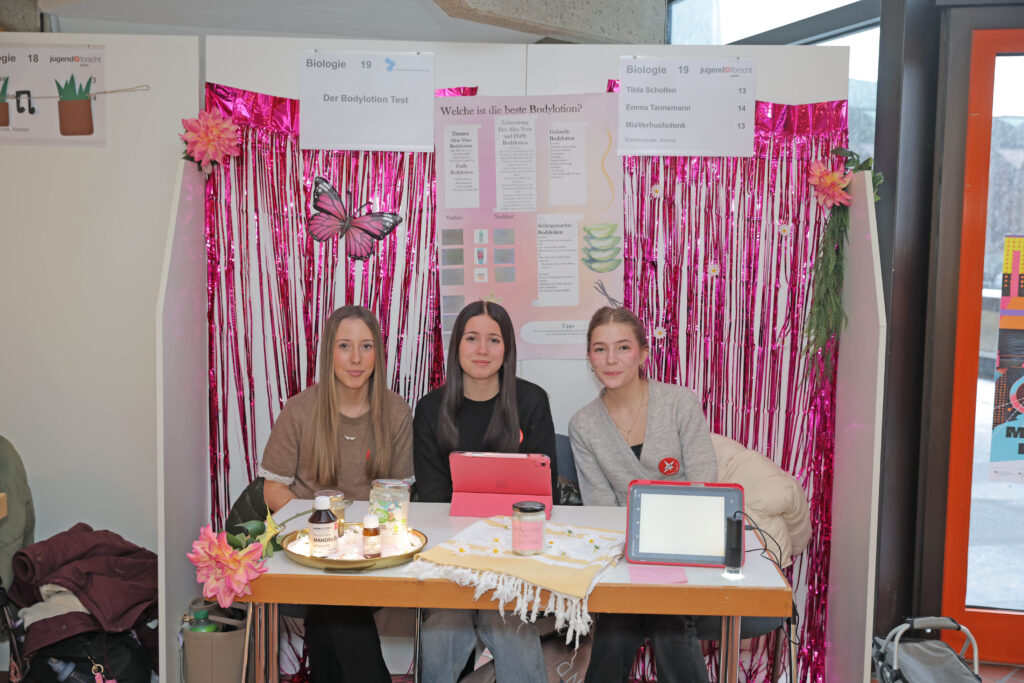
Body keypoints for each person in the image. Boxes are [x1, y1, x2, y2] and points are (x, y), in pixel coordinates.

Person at [258, 305, 413, 683]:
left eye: (366, 346)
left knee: (332, 612)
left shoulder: (395, 411)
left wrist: (360, 539)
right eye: (345, 346)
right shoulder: (299, 410)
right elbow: (273, 489)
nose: (356, 358)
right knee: (336, 604)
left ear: (378, 353)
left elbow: (400, 491)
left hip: (372, 551)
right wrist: (325, 530)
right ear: (329, 352)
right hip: (310, 547)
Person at [568, 306, 717, 683]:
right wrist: (633, 555)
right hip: (624, 554)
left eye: (623, 347)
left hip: (684, 550)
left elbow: (704, 488)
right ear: (589, 357)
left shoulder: (680, 403)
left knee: (668, 625)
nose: (611, 359)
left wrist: (667, 544)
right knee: (617, 628)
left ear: (643, 354)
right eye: (600, 349)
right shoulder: (583, 424)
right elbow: (601, 509)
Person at [413, 299, 556, 683]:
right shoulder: (430, 409)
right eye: (471, 338)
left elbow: (543, 496)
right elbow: (434, 499)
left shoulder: (531, 401)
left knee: (508, 623)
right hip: (451, 557)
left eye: (494, 339)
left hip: (514, 556)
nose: (482, 349)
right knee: (444, 627)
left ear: (507, 348)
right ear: (456, 345)